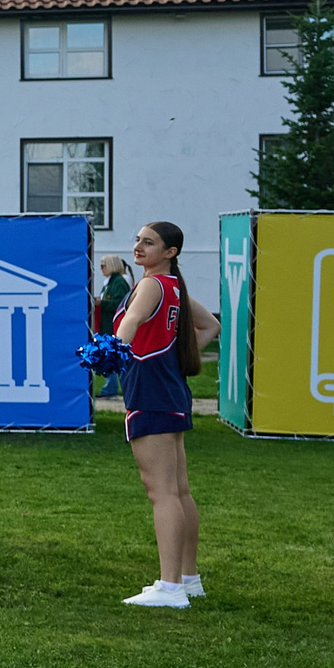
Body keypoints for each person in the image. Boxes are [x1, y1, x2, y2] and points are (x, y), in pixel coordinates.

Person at [115, 222, 218, 609]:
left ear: (171, 252)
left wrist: (111, 353)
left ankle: (171, 586)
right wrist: (173, 361)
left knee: (161, 492)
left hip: (150, 391)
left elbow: (130, 322)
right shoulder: (174, 286)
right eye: (138, 240)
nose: (139, 247)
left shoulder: (151, 285)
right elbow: (210, 326)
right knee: (178, 490)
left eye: (149, 242)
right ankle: (188, 579)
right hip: (170, 390)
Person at [93, 254, 133, 398]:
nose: (101, 269)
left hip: (113, 325)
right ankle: (110, 387)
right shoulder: (110, 282)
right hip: (106, 324)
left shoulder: (119, 283)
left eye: (103, 266)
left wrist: (101, 303)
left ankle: (111, 388)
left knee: (111, 356)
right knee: (108, 356)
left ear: (111, 265)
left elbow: (120, 304)